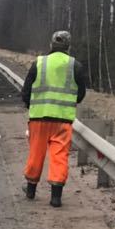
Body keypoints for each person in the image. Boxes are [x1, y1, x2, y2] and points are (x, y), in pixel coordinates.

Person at [22, 29, 88, 207]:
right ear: (68, 46)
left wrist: (32, 107)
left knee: (36, 153)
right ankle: (56, 197)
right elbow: (80, 94)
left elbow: (26, 91)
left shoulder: (40, 63)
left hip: (39, 118)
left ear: (51, 44)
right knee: (59, 156)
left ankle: (30, 190)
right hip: (62, 121)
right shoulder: (75, 65)